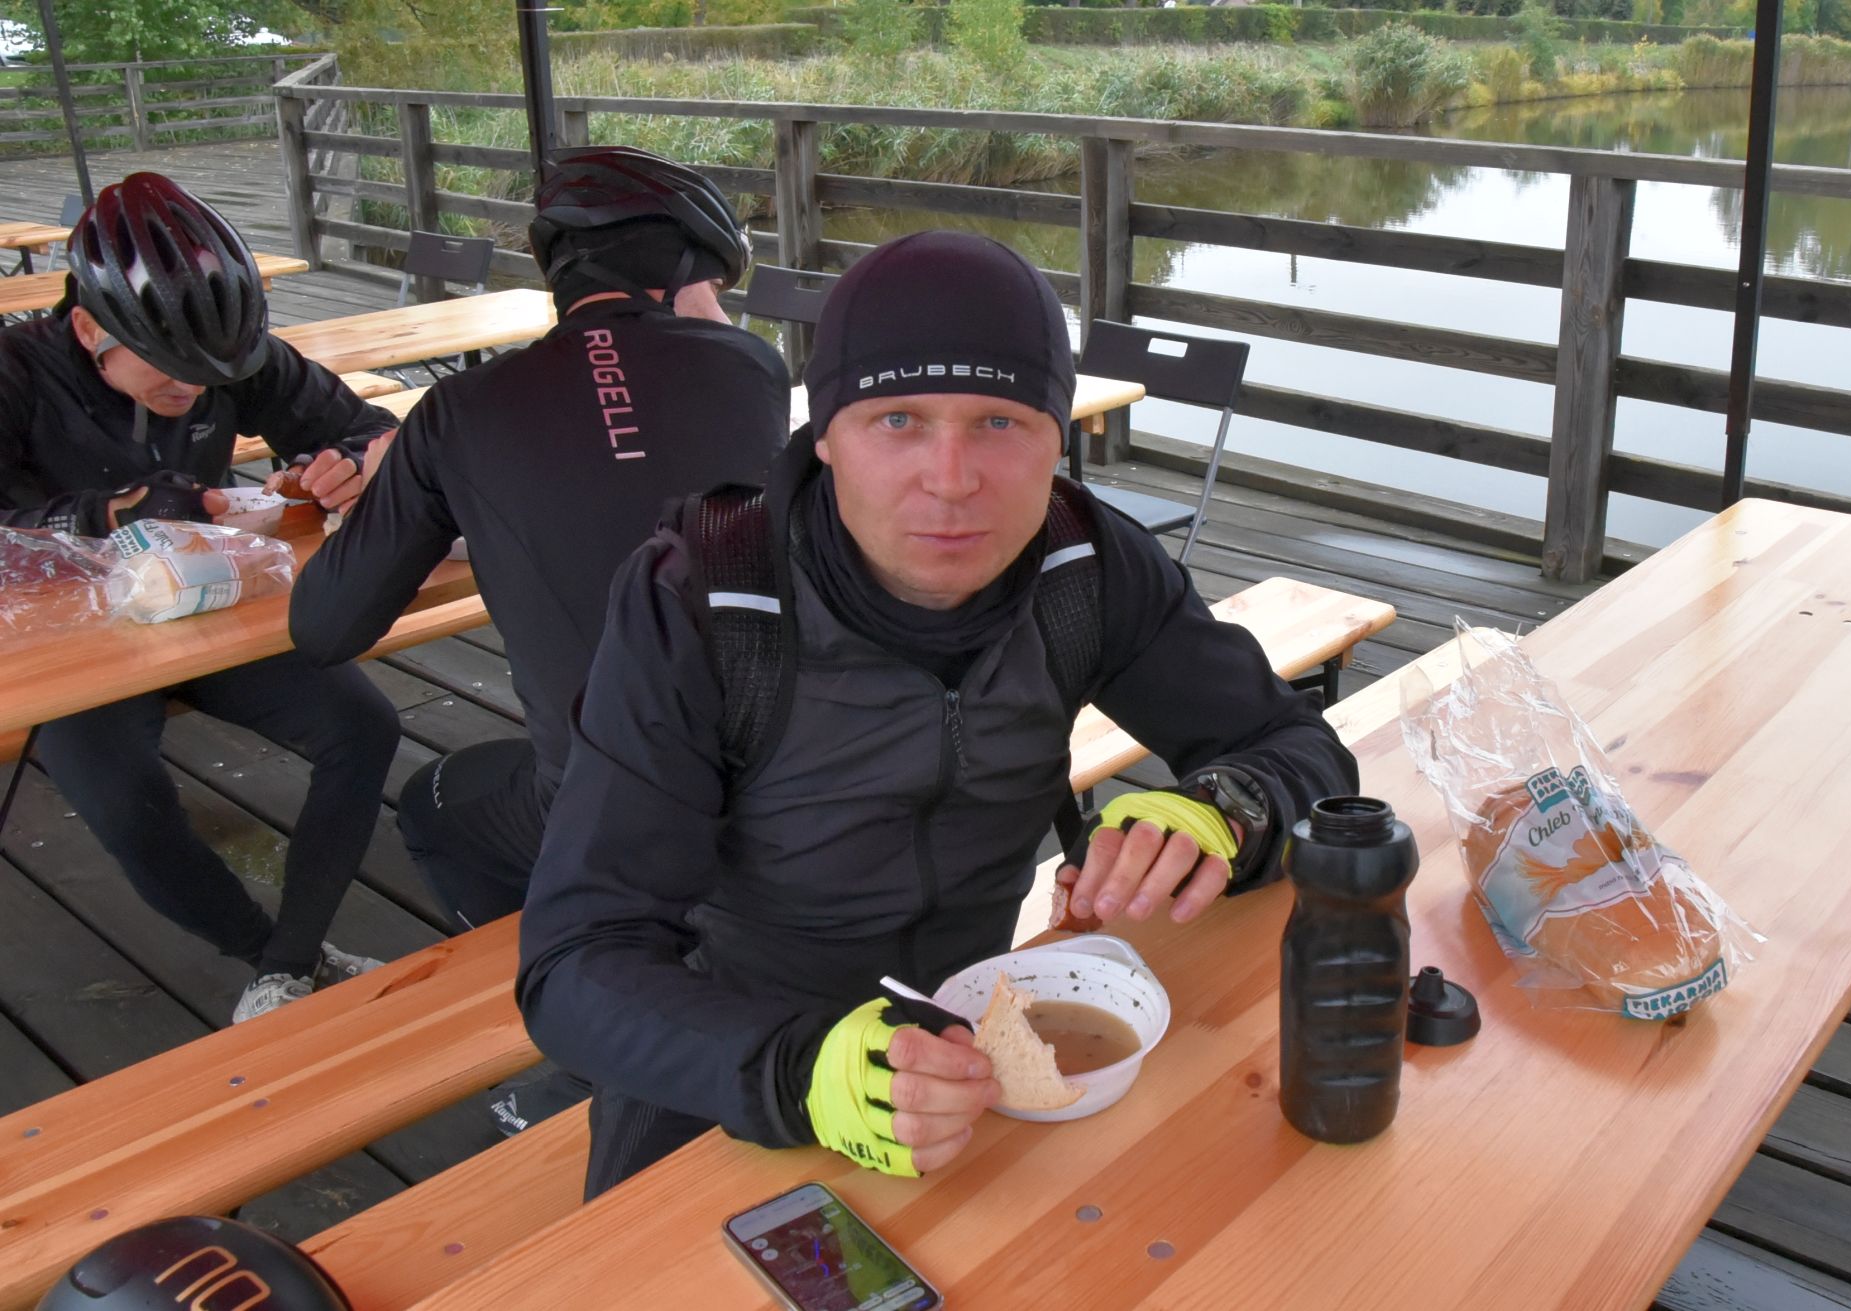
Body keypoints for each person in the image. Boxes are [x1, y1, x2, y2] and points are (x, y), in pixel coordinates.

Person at [516, 229, 1360, 1199]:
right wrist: (800, 1074)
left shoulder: (1083, 566)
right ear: (824, 434)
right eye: (898, 419)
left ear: (1059, 435)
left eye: (1000, 421)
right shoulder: (706, 601)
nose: (952, 477)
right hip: (727, 1076)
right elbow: (576, 961)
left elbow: (1294, 746)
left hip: (982, 1056)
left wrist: (1221, 811)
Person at [291, 145, 790, 933]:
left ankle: (575, 964)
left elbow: (324, 627)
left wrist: (398, 486)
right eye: (715, 290)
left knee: (430, 804)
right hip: (786, 789)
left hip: (606, 812)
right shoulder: (754, 368)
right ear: (674, 273)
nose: (723, 315)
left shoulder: (458, 411)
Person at [0, 173, 401, 1024]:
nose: (196, 387)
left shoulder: (226, 355)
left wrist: (346, 466)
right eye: (173, 370)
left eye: (217, 372)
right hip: (66, 634)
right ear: (88, 328)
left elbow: (370, 431)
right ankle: (261, 949)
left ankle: (289, 964)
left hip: (203, 601)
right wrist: (104, 514)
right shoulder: (16, 374)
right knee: (127, 804)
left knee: (363, 725)